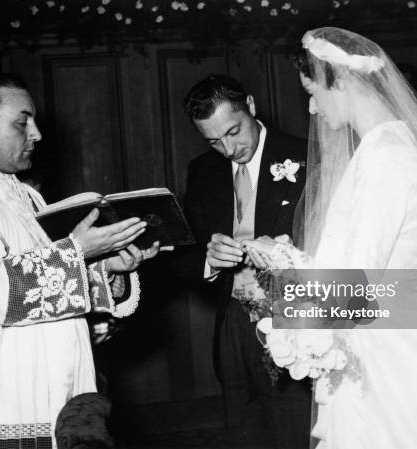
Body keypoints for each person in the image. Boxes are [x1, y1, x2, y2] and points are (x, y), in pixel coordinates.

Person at [243, 27, 417, 448]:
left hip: (393, 347)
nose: (313, 109)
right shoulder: (379, 149)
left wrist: (280, 263)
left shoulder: (387, 156)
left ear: (343, 81)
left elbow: (355, 279)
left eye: (313, 92)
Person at [0, 73, 159, 448]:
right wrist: (76, 252)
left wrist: (104, 266)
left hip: (37, 386)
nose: (37, 133)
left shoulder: (18, 194)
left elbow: (38, 270)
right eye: (21, 122)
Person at [174, 74, 311, 449]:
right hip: (230, 321)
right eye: (214, 141)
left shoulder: (308, 155)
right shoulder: (202, 170)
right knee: (244, 430)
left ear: (251, 106)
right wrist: (209, 261)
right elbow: (183, 256)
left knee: (293, 432)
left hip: (293, 321)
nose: (229, 149)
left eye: (234, 132)